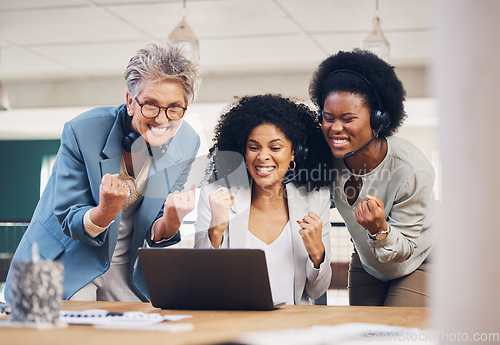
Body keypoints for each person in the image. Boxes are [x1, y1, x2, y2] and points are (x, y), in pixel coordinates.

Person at [5, 43, 201, 302]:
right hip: (65, 257)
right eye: (150, 105)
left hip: (125, 266)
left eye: (175, 107)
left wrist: (173, 219)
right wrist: (105, 211)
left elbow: (155, 225)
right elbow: (68, 218)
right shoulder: (83, 131)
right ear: (131, 101)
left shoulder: (187, 142)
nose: (162, 119)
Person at [309, 49, 435, 307]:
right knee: (364, 330)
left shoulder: (410, 169)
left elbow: (408, 246)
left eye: (348, 119)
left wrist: (379, 229)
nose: (335, 128)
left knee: (392, 333)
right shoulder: (325, 157)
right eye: (328, 117)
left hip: (421, 259)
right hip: (369, 262)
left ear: (378, 120)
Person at [194, 94, 334, 305]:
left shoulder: (315, 199)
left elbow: (316, 291)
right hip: (233, 323)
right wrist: (216, 231)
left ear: (294, 153)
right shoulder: (215, 195)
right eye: (254, 147)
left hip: (292, 330)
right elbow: (201, 281)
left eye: (275, 148)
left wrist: (317, 253)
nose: (263, 156)